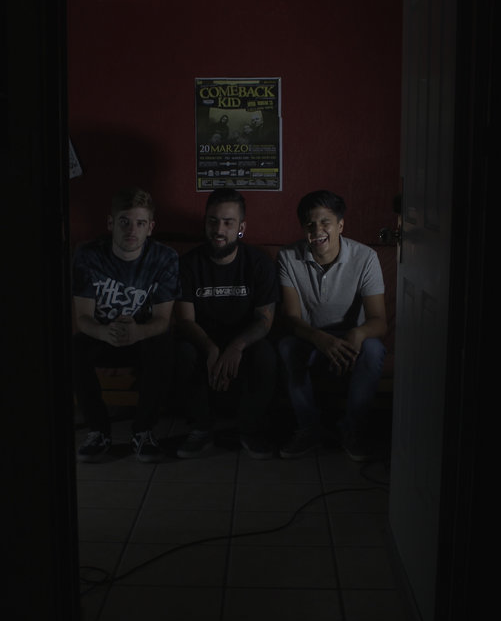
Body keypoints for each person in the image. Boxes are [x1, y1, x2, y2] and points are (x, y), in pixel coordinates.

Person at [276, 189, 388, 461]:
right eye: (310, 224)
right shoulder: (288, 256)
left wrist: (357, 334)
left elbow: (379, 321)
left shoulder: (365, 257)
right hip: (310, 337)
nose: (317, 230)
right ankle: (308, 428)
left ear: (340, 225)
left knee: (374, 350)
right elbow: (291, 319)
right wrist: (320, 339)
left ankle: (353, 429)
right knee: (287, 346)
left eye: (325, 222)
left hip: (351, 339)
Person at [72, 187, 179, 463]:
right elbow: (82, 317)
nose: (132, 230)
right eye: (124, 222)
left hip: (142, 338)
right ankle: (98, 432)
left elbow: (163, 320)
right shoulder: (88, 255)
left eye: (140, 223)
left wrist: (137, 332)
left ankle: (142, 431)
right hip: (102, 335)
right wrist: (103, 332)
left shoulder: (164, 258)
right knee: (74, 348)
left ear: (150, 227)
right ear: (111, 223)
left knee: (164, 344)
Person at [173, 189, 279, 458]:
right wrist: (211, 348)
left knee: (266, 354)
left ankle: (250, 430)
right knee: (182, 352)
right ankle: (201, 429)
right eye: (213, 221)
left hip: (243, 341)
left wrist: (236, 346)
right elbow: (185, 320)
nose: (219, 230)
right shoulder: (188, 265)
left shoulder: (258, 264)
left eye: (228, 222)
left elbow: (264, 321)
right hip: (202, 339)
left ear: (241, 227)